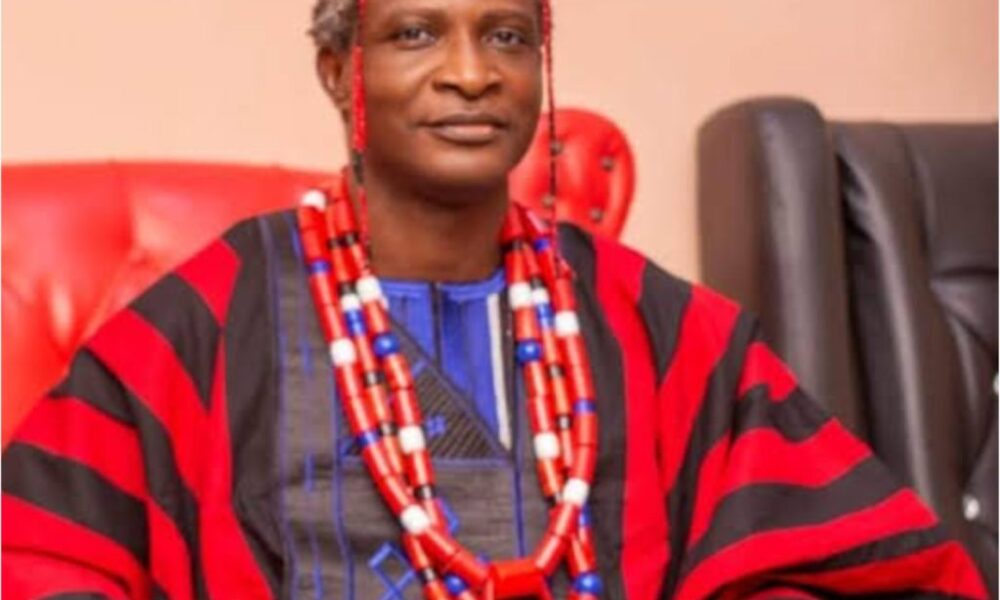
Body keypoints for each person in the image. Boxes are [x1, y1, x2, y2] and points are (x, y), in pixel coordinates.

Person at [1, 0, 989, 598]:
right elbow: (38, 553)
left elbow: (858, 563)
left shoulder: (653, 325)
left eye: (507, 36)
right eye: (416, 34)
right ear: (341, 72)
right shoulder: (211, 320)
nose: (471, 74)